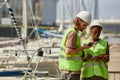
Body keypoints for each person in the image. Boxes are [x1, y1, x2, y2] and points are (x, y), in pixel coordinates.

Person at [59, 11, 92, 80]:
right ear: (79, 21)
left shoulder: (71, 31)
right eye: (84, 25)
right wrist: (84, 47)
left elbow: (73, 53)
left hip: (69, 71)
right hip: (70, 73)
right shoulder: (73, 33)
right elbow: (68, 51)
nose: (85, 28)